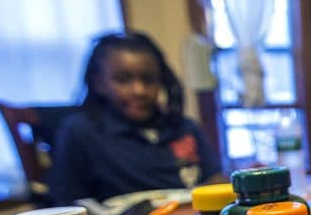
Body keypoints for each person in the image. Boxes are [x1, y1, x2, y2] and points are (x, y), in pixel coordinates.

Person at [48, 31, 223, 204]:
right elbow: (67, 202)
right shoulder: (80, 131)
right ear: (99, 83)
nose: (139, 90)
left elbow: (215, 179)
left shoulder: (184, 127)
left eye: (148, 79)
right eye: (123, 80)